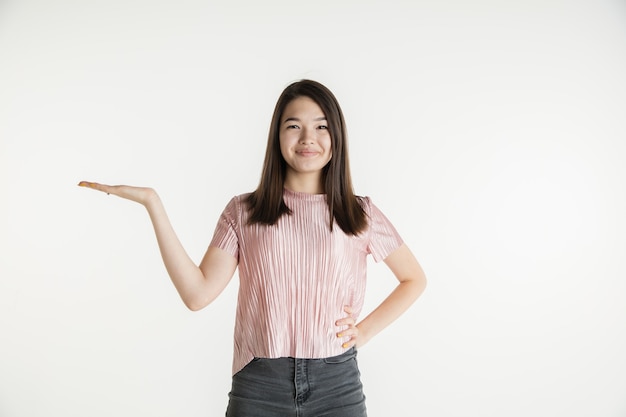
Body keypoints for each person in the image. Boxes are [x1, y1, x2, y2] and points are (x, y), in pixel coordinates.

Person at [79, 79, 426, 416]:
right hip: (260, 384)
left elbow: (413, 279)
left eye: (321, 127)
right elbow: (196, 295)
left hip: (337, 384)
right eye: (294, 126)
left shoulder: (359, 212)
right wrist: (152, 203)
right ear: (277, 135)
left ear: (337, 136)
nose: (308, 138)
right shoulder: (244, 212)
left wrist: (362, 331)